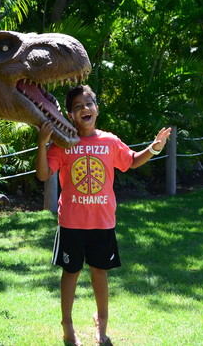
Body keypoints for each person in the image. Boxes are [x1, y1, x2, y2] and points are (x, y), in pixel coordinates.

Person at [35, 85, 171, 346]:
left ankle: (102, 329)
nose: (84, 109)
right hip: (72, 224)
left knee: (100, 273)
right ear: (71, 115)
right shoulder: (63, 143)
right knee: (71, 273)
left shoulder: (109, 141)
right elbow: (43, 174)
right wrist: (42, 145)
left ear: (97, 108)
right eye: (77, 107)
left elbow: (130, 161)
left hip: (102, 223)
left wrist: (154, 148)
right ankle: (67, 327)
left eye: (89, 104)